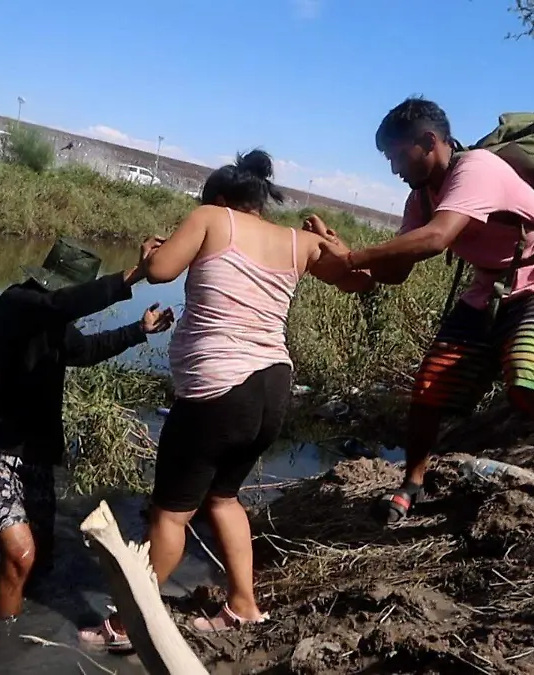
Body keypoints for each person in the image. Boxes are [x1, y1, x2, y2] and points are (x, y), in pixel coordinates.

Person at [79, 150, 374, 650]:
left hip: (219, 388)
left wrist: (152, 251)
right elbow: (358, 279)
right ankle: (243, 607)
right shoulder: (299, 241)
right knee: (223, 497)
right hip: (272, 387)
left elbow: (162, 272)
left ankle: (126, 628)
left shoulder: (211, 217)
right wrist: (334, 244)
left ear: (219, 199)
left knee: (170, 514)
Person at [306, 97, 534, 525]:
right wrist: (340, 251)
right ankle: (412, 483)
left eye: (396, 155)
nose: (393, 169)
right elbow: (396, 273)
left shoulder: (476, 168)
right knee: (429, 387)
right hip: (490, 289)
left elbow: (437, 238)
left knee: (525, 369)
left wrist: (353, 257)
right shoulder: (422, 197)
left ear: (429, 141)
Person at [0, 236, 175, 619]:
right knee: (21, 555)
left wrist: (139, 330)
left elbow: (85, 351)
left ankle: (1, 604)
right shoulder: (18, 304)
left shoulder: (55, 322)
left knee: (40, 559)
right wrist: (137, 273)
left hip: (33, 453)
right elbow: (62, 303)